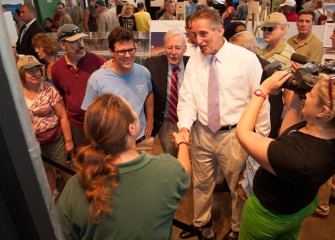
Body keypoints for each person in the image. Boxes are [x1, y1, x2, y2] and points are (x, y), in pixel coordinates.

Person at [176, 9, 270, 240]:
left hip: (235, 136)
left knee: (238, 188)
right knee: (201, 184)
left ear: (219, 30)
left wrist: (260, 139)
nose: (198, 41)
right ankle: (202, 224)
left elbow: (260, 101)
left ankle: (237, 229)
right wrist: (185, 127)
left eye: (203, 33)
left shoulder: (246, 60)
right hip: (203, 133)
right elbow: (187, 97)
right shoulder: (196, 59)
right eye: (194, 34)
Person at [57, 93, 191, 238]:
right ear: (131, 128)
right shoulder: (167, 170)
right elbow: (184, 172)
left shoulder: (74, 187)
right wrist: (183, 143)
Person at [235, 69, 335, 239]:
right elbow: (287, 135)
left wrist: (263, 90)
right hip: (302, 205)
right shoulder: (323, 132)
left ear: (323, 111)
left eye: (311, 94)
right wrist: (297, 92)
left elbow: (243, 133)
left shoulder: (299, 157)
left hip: (269, 216)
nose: (307, 94)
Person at [81, 27, 154, 154]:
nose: (127, 55)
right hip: (112, 145)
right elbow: (89, 113)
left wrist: (150, 121)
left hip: (141, 140)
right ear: (111, 52)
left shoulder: (144, 73)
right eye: (121, 51)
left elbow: (149, 94)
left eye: (131, 50)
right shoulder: (97, 79)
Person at [17, 55, 74, 202]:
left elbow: (63, 116)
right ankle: (53, 193)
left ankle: (74, 194)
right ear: (22, 73)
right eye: (31, 71)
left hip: (55, 138)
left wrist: (68, 141)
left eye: (38, 70)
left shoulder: (49, 90)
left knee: (64, 166)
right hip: (34, 142)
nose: (36, 74)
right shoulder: (17, 92)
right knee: (45, 168)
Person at [52, 24, 106, 148]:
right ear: (62, 45)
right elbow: (62, 94)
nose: (81, 45)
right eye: (74, 42)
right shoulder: (56, 69)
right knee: (83, 158)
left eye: (81, 39)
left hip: (99, 122)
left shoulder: (98, 62)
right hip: (76, 125)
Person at [144, 29, 189, 157]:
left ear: (185, 49)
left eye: (178, 48)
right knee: (171, 154)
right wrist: (111, 62)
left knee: (189, 153)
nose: (173, 52)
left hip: (189, 120)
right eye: (170, 47)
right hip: (166, 120)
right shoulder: (152, 64)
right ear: (165, 47)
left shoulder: (192, 64)